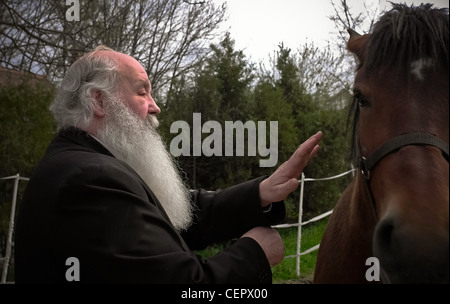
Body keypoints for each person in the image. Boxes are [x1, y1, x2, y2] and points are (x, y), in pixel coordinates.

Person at [14, 46, 322, 283]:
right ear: (99, 101)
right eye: (142, 91)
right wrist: (254, 255)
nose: (155, 105)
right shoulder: (88, 179)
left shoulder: (85, 163)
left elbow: (174, 214)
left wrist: (262, 193)